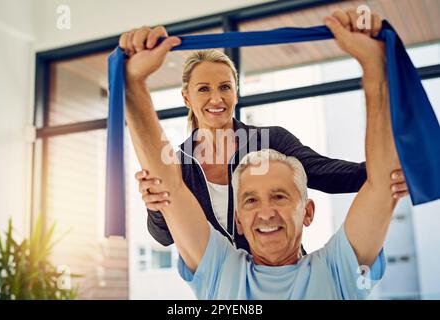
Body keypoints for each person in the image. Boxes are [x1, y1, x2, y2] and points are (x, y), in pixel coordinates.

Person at [119, 9, 408, 254]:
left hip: (286, 278)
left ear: (236, 92)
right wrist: (155, 205)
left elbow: (328, 174)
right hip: (222, 289)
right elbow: (165, 237)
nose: (216, 99)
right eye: (204, 89)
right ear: (186, 98)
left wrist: (390, 174)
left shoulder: (270, 140)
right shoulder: (176, 161)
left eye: (225, 87)